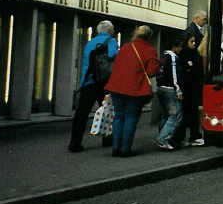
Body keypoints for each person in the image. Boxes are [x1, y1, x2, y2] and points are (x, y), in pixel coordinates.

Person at [105, 25, 159, 157]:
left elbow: (116, 65)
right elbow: (151, 71)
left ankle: (115, 148)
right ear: (149, 37)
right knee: (131, 118)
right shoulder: (149, 50)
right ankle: (125, 149)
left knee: (118, 117)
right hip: (135, 88)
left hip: (117, 87)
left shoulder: (125, 47)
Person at [68, 20, 118, 152]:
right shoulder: (111, 41)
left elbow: (86, 65)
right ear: (110, 31)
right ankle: (107, 139)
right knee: (108, 110)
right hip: (105, 83)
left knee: (81, 114)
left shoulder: (90, 43)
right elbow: (113, 56)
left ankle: (75, 143)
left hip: (89, 82)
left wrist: (82, 83)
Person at [155, 33, 192, 150]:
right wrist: (179, 90)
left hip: (161, 88)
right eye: (179, 46)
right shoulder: (173, 58)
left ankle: (163, 136)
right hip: (170, 89)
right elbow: (175, 76)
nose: (181, 49)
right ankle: (162, 139)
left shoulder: (163, 56)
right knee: (176, 115)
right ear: (174, 47)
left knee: (166, 115)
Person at [178, 11, 206, 146]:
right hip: (190, 85)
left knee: (189, 111)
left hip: (191, 84)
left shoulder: (189, 52)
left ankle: (186, 136)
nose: (194, 43)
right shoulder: (189, 54)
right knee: (190, 110)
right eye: (192, 41)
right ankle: (191, 136)